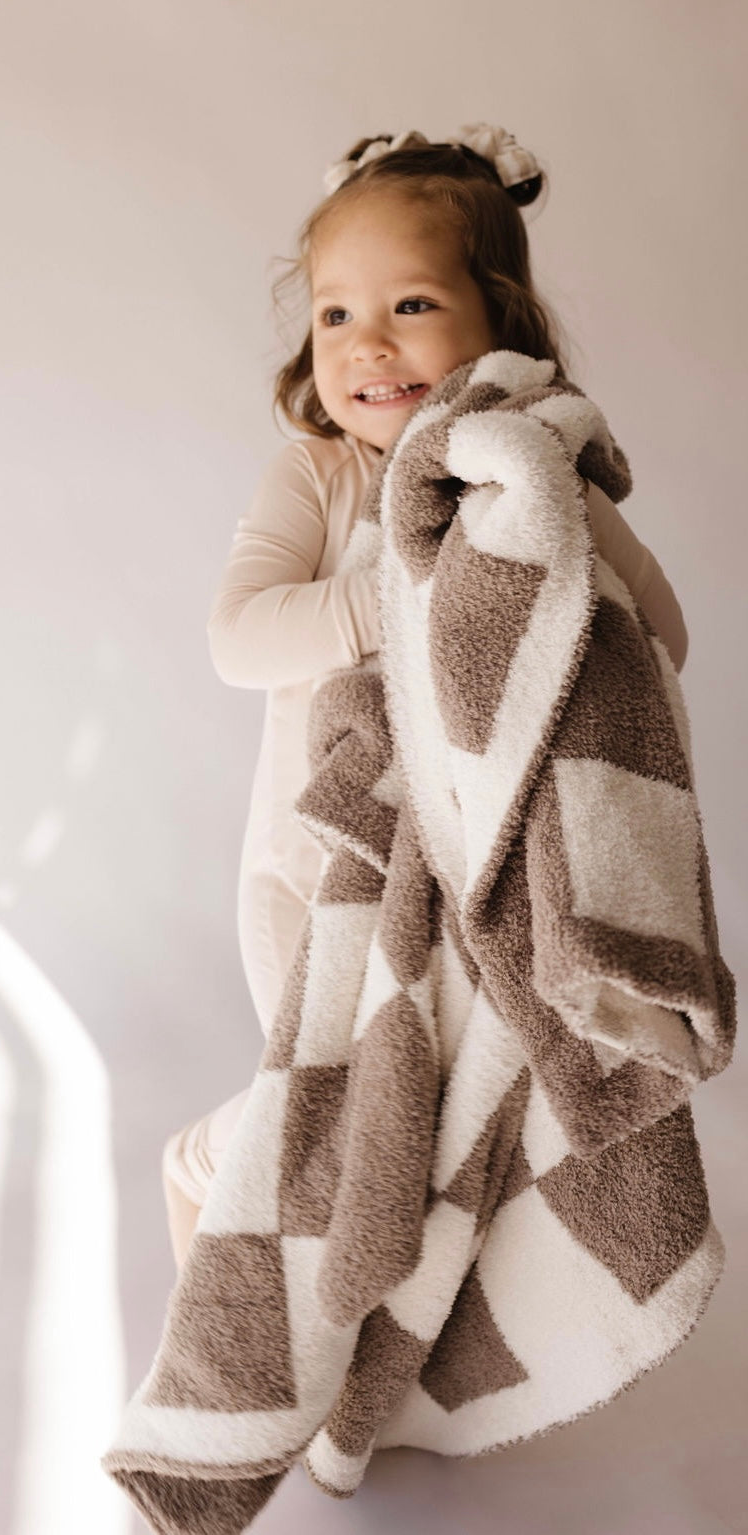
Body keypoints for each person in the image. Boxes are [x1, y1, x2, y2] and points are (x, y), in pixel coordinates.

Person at [161, 125, 690, 1273]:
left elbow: (661, 638)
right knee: (332, 1104)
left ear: (498, 320)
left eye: (409, 304)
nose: (366, 344)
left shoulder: (530, 475)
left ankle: (384, 1351)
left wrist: (566, 550)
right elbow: (235, 636)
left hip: (470, 875)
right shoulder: (322, 472)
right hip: (313, 872)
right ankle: (207, 1180)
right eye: (334, 314)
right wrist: (401, 599)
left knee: (442, 1122)